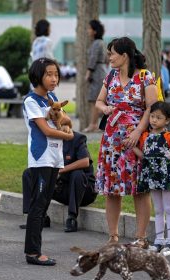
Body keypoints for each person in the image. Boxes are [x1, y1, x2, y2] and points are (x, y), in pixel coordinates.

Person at [95, 36, 158, 247]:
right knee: (112, 189)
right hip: (112, 140)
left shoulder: (145, 77)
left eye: (112, 53)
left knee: (139, 189)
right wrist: (104, 109)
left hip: (135, 141)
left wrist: (138, 132)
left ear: (124, 55)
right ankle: (113, 236)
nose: (109, 57)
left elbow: (152, 107)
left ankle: (141, 237)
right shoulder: (110, 75)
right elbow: (99, 101)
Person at [23, 58, 74, 266]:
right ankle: (33, 253)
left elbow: (67, 120)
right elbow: (46, 130)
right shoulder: (31, 101)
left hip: (55, 157)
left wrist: (64, 124)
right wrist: (69, 136)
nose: (54, 79)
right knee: (38, 204)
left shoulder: (52, 97)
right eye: (49, 74)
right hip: (41, 158)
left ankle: (35, 249)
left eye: (56, 75)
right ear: (38, 76)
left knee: (44, 204)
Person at [21, 131, 97, 232]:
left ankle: (72, 218)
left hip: (83, 191)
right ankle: (39, 217)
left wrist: (60, 170)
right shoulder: (48, 139)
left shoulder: (77, 138)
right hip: (62, 187)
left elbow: (85, 161)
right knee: (29, 174)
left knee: (77, 174)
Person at [133, 101, 170, 253]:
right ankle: (159, 240)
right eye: (152, 116)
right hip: (152, 176)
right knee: (158, 209)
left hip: (166, 176)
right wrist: (132, 146)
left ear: (167, 120)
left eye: (158, 117)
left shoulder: (169, 137)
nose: (153, 120)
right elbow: (144, 156)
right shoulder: (145, 136)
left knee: (168, 208)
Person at [84, 19, 108, 133]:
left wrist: (88, 71)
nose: (87, 31)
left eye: (89, 28)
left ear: (94, 31)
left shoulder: (96, 43)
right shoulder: (102, 43)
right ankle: (95, 124)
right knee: (98, 100)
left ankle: (93, 124)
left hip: (97, 73)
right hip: (101, 70)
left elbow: (93, 58)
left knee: (95, 100)